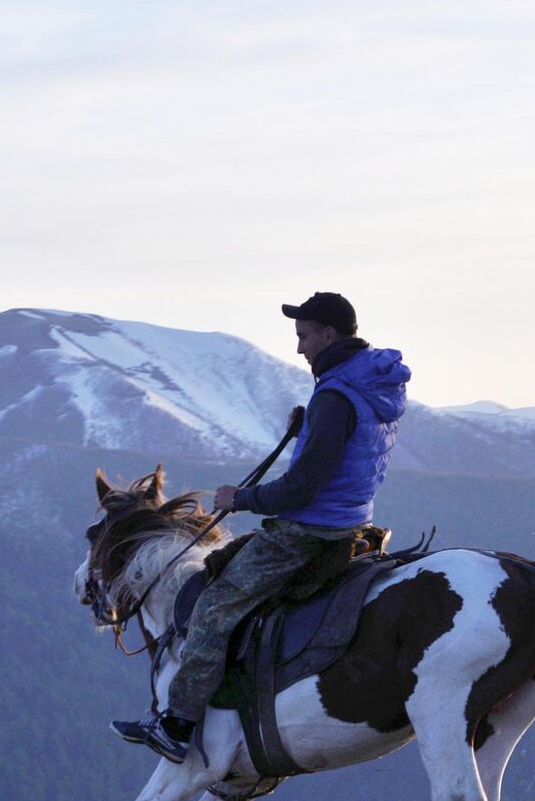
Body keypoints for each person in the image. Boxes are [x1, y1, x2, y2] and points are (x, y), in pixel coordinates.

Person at [113, 291, 412, 762]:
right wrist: (310, 424)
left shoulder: (336, 395)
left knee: (214, 604)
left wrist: (242, 498)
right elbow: (346, 451)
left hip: (310, 532)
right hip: (353, 522)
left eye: (304, 336)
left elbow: (302, 488)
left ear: (329, 334)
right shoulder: (366, 383)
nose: (299, 348)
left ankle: (176, 725)